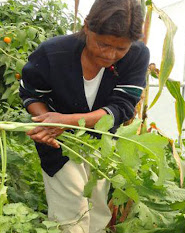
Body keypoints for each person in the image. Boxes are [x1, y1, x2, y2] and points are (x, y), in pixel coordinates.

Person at [19, 0, 149, 232]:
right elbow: (31, 93)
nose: (110, 54)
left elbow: (122, 107)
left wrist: (66, 121)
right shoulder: (53, 53)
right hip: (58, 144)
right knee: (71, 215)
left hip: (103, 143)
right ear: (87, 27)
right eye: (103, 44)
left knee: (97, 209)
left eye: (121, 49)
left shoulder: (137, 55)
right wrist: (46, 122)